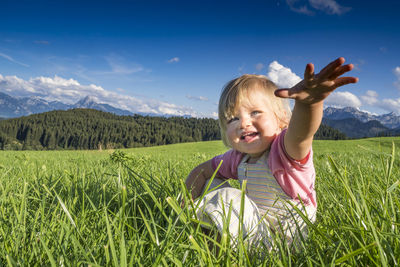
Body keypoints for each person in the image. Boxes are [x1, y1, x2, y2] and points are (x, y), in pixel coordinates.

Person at [185, 57, 358, 249]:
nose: (243, 123)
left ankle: (223, 252)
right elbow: (202, 171)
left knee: (227, 197)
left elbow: (302, 133)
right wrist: (188, 201)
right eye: (233, 118)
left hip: (286, 242)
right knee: (211, 183)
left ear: (282, 118)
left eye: (255, 112)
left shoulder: (284, 150)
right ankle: (204, 233)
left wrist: (310, 103)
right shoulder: (237, 157)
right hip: (257, 227)